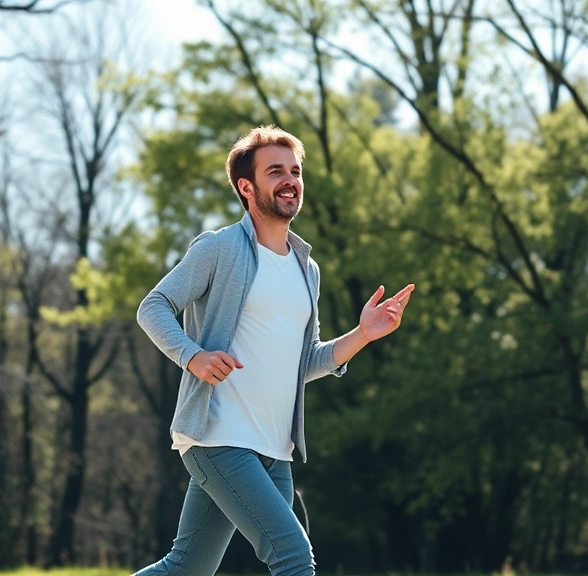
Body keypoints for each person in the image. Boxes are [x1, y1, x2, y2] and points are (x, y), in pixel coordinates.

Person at [132, 125, 415, 576]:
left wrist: (363, 334)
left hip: (274, 449)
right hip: (219, 436)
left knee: (185, 569)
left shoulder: (308, 270)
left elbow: (305, 363)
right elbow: (154, 306)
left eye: (296, 171)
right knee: (293, 557)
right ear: (247, 187)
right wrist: (194, 356)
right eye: (275, 171)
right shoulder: (219, 248)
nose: (290, 180)